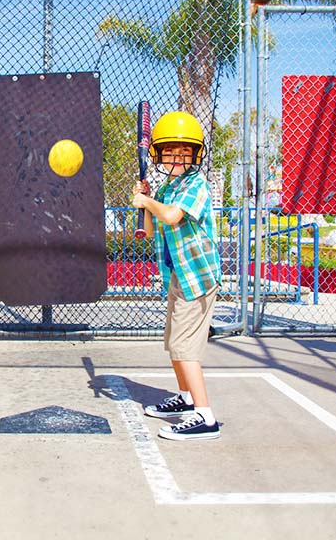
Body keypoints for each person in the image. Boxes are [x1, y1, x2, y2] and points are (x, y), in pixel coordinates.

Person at [132, 111, 221, 440]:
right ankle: (185, 400)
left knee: (184, 347)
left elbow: (170, 217)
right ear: (158, 155)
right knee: (173, 343)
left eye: (185, 151)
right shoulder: (169, 187)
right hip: (178, 276)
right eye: (170, 151)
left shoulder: (195, 184)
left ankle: (205, 416)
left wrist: (149, 201)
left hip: (197, 279)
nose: (177, 157)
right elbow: (154, 225)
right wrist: (146, 201)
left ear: (196, 154)